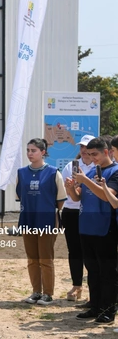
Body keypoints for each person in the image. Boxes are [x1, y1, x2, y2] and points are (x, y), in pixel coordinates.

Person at [66, 137, 118, 324]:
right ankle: (94, 305)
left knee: (107, 272)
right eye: (88, 154)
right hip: (86, 228)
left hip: (105, 228)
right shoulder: (89, 172)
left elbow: (107, 197)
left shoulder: (115, 172)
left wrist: (86, 181)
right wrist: (71, 189)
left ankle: (108, 310)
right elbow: (78, 197)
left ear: (106, 152)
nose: (92, 158)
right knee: (92, 271)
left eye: (95, 154)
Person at [16, 138, 66, 306]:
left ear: (43, 152)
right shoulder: (21, 173)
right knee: (32, 259)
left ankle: (48, 294)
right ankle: (36, 292)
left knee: (46, 259)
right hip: (28, 220)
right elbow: (20, 197)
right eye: (28, 150)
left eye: (34, 150)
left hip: (47, 221)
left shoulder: (53, 172)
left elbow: (60, 200)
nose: (30, 153)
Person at [60, 134, 95, 302]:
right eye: (82, 146)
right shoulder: (71, 166)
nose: (84, 150)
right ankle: (76, 285)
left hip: (90, 213)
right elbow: (68, 193)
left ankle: (94, 289)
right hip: (71, 211)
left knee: (91, 251)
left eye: (88, 147)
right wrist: (70, 188)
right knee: (74, 250)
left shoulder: (98, 167)